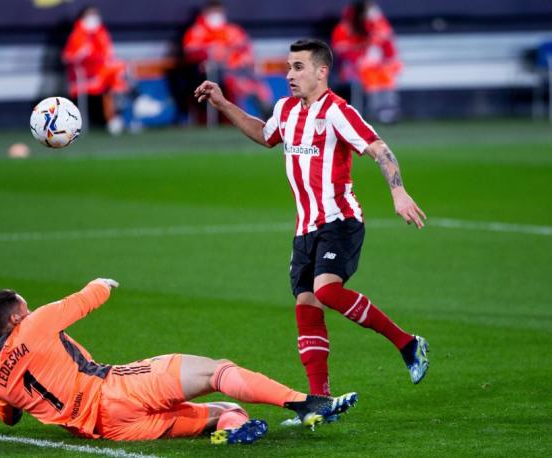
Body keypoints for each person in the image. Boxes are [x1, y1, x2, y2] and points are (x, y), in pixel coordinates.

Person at [194, 38, 429, 419]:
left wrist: (398, 193)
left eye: (298, 67)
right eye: (288, 67)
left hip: (340, 221)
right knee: (306, 306)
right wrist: (223, 104)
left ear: (322, 71)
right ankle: (321, 402)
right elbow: (265, 135)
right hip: (305, 229)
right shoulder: (285, 109)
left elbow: (378, 147)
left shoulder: (338, 111)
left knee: (327, 290)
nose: (290, 75)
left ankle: (407, 344)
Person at [0, 278, 358, 444]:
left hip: (110, 429)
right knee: (215, 370)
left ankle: (230, 429)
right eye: (24, 306)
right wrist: (102, 284)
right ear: (15, 319)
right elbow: (85, 300)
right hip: (114, 388)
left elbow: (8, 417)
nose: (30, 309)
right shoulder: (35, 324)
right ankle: (306, 404)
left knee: (225, 409)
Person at [183, 0, 272, 119]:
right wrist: (211, 51)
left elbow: (246, 48)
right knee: (239, 84)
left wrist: (246, 59)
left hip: (239, 69)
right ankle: (241, 118)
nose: (216, 15)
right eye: (213, 12)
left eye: (218, 12)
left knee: (258, 85)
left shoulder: (232, 30)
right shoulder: (197, 31)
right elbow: (191, 52)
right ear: (206, 13)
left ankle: (268, 113)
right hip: (216, 72)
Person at [331, 1, 402, 123]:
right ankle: (375, 110)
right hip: (352, 68)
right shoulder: (342, 29)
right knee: (370, 75)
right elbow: (342, 51)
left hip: (374, 66)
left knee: (385, 72)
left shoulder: (369, 27)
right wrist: (359, 56)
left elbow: (385, 40)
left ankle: (388, 109)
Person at [62, 6, 129, 135]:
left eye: (95, 14)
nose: (93, 18)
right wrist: (79, 55)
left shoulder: (101, 33)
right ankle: (114, 117)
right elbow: (66, 57)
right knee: (116, 74)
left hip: (102, 73)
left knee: (121, 70)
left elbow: (108, 54)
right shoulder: (77, 35)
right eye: (90, 15)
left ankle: (117, 116)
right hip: (85, 75)